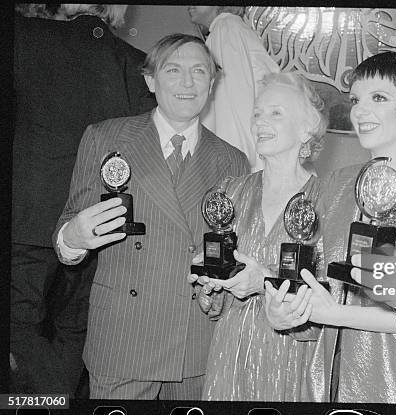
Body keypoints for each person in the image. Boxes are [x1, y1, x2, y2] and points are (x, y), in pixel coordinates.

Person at [53, 33, 249, 399]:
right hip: (123, 340)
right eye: (173, 70)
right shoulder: (105, 138)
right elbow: (66, 232)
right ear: (150, 79)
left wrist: (219, 295)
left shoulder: (233, 161)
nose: (187, 83)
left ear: (212, 82)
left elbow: (226, 254)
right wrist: (73, 239)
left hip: (195, 344)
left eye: (199, 71)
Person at [276, 52, 396, 403]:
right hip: (329, 379)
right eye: (355, 100)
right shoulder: (336, 185)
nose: (359, 112)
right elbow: (320, 283)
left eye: (378, 98)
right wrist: (288, 310)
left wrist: (335, 314)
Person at [12, 4, 156, 395]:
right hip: (101, 224)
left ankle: (34, 399)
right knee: (77, 326)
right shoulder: (138, 64)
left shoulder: (24, 39)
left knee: (18, 325)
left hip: (28, 220)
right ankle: (57, 397)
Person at [187, 72, 327, 401]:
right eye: (257, 113)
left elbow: (329, 301)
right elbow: (214, 304)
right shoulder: (230, 191)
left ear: (307, 127)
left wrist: (264, 280)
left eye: (276, 113)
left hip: (289, 365)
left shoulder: (327, 201)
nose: (261, 122)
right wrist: (210, 288)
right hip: (228, 362)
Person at [188, 6, 280, 172]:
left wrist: (232, 167)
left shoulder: (226, 28)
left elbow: (233, 104)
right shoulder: (230, 28)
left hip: (241, 162)